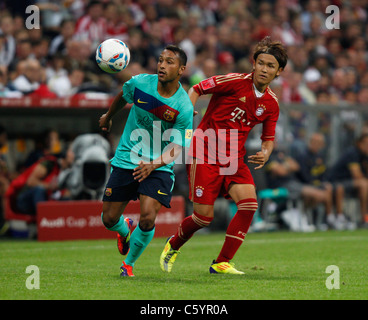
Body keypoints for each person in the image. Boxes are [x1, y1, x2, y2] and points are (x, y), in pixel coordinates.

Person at [160, 36, 288, 274]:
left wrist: (265, 153)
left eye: (270, 66)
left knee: (249, 205)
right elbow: (197, 88)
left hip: (233, 159)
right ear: (254, 64)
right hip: (204, 152)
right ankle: (174, 243)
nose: (264, 69)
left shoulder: (271, 103)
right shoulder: (234, 81)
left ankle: (221, 262)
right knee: (203, 218)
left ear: (278, 72)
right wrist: (187, 115)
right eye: (261, 63)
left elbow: (268, 138)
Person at [99, 45, 193, 277]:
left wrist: (155, 164)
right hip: (126, 158)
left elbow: (179, 146)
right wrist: (109, 116)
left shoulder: (184, 107)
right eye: (160, 60)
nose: (162, 65)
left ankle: (128, 265)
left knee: (148, 217)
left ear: (181, 69)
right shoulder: (140, 83)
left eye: (169, 62)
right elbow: (124, 94)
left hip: (159, 165)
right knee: (109, 219)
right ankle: (124, 229)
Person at [328, 133, 368, 227]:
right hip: (336, 182)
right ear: (358, 143)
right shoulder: (353, 153)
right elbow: (357, 176)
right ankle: (363, 218)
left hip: (349, 183)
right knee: (364, 184)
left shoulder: (364, 156)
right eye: (366, 143)